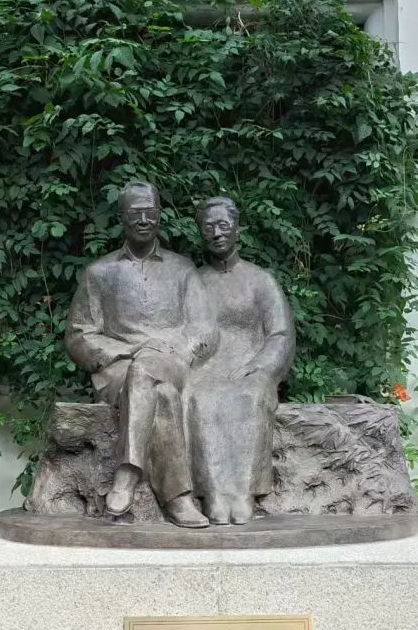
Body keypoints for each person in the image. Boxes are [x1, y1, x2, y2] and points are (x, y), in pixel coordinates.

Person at [65, 181, 217, 527]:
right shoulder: (99, 272)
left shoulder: (182, 270)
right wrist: (130, 351)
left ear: (160, 215)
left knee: (150, 369)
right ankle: (178, 499)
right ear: (121, 218)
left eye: (151, 212)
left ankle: (128, 473)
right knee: (159, 392)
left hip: (173, 362)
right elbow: (78, 335)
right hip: (119, 369)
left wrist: (175, 353)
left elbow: (205, 328)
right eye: (136, 213)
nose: (145, 219)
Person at [184, 196, 296, 524]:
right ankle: (213, 494)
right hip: (206, 368)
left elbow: (280, 334)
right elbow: (183, 331)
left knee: (250, 396)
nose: (217, 233)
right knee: (198, 398)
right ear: (201, 233)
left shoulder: (260, 280)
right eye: (209, 228)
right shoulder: (193, 281)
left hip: (252, 364)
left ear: (236, 229)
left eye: (223, 225)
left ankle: (244, 492)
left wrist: (260, 367)